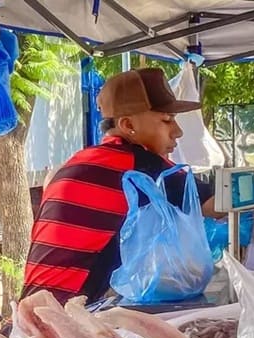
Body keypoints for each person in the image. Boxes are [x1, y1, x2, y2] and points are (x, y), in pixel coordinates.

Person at [21, 67, 218, 304]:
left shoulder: (80, 160)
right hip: (62, 313)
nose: (178, 132)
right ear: (128, 125)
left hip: (32, 306)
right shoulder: (136, 165)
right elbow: (217, 203)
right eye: (166, 120)